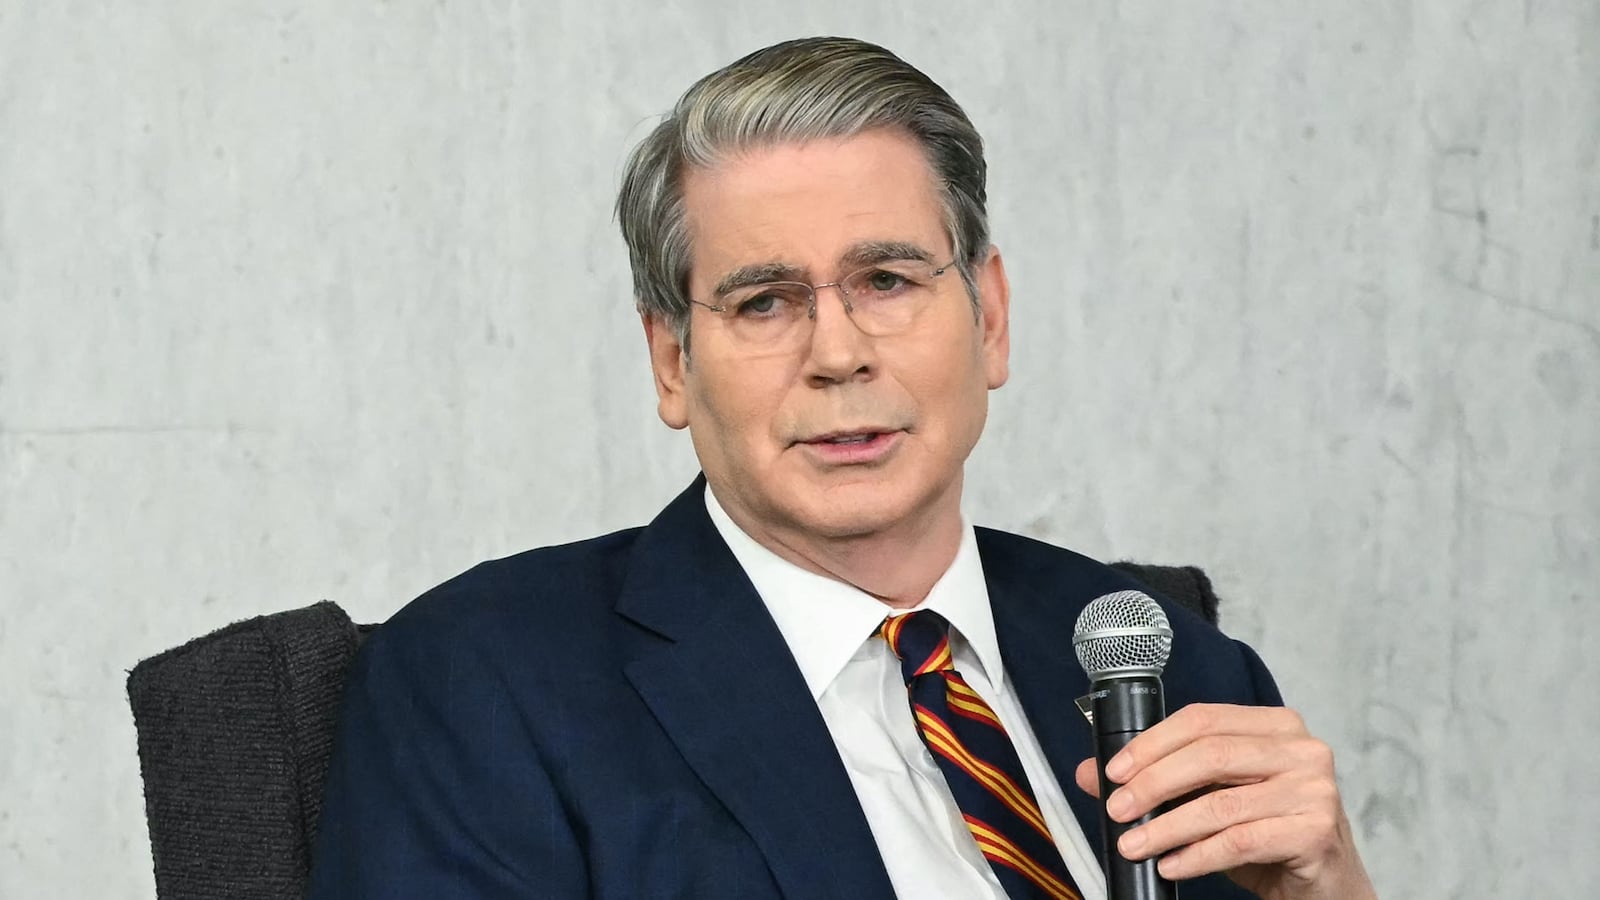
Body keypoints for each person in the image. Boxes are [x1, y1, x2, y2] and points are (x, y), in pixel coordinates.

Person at [307, 37, 1375, 900]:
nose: (837, 352)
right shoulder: (487, 683)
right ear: (673, 363)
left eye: (888, 279)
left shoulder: (1168, 664)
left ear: (989, 319)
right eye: (764, 301)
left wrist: (1333, 894)